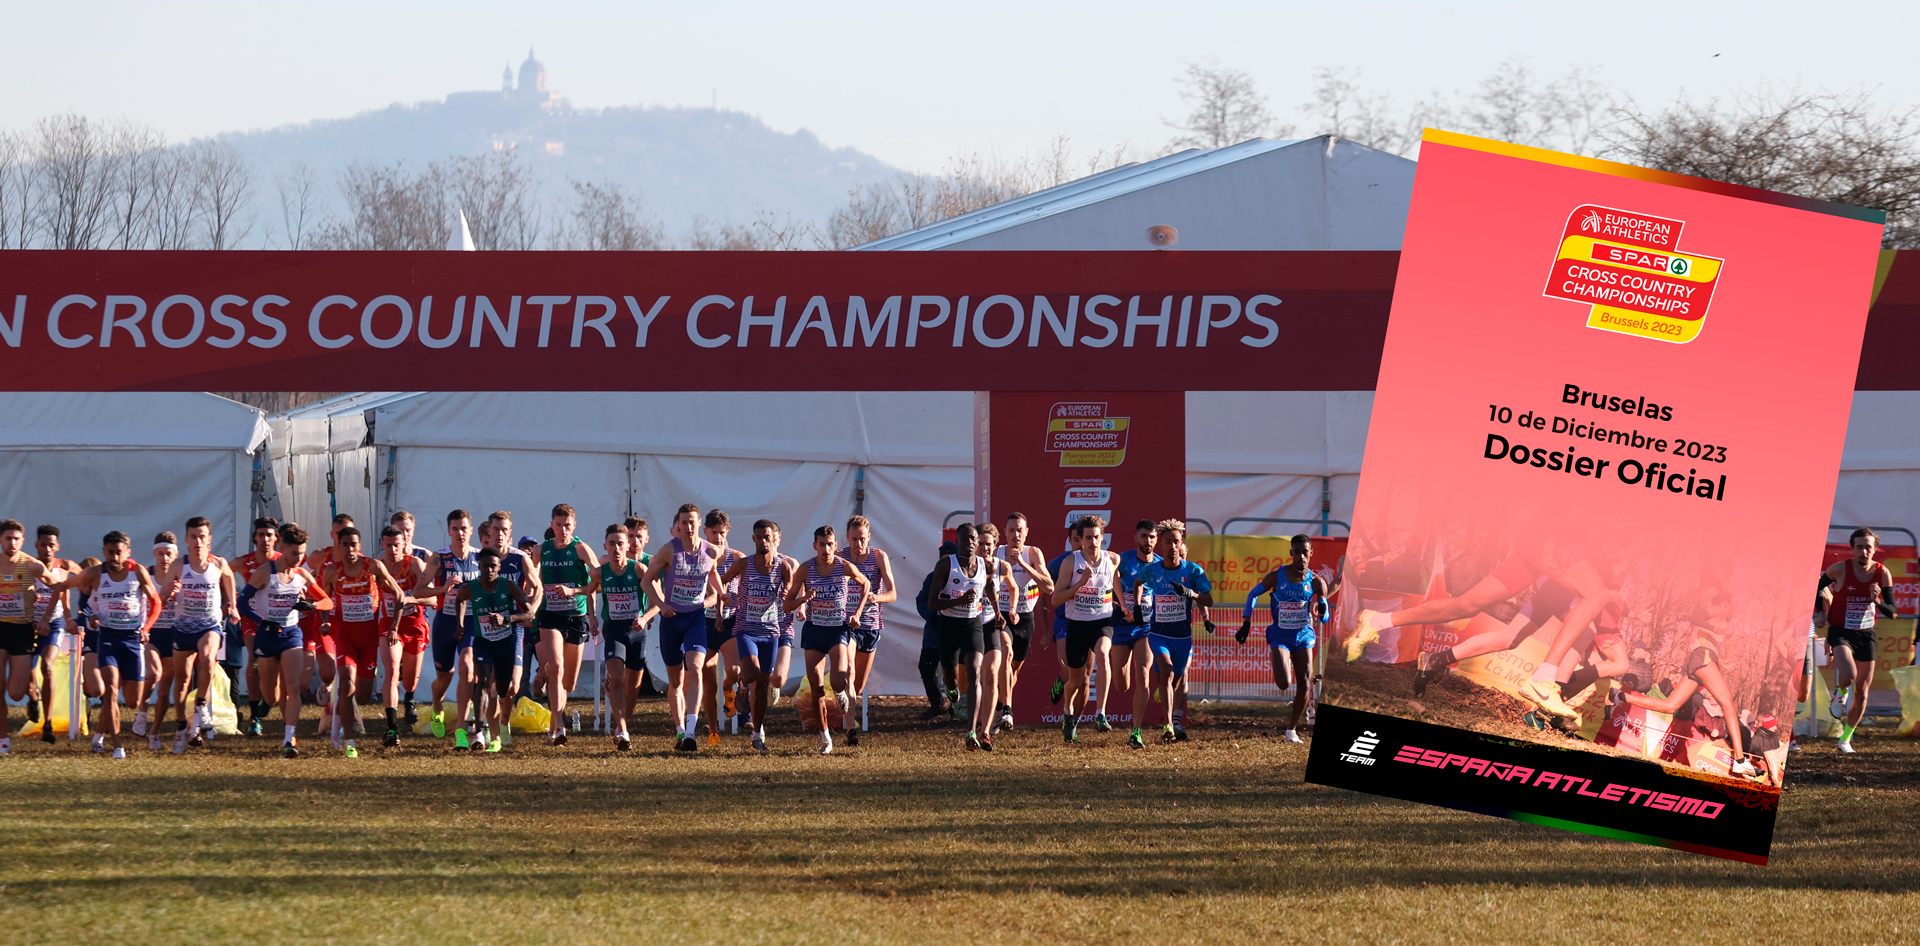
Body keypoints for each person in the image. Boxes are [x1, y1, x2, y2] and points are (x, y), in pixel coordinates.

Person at [1348, 523, 1614, 719]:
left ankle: (1379, 621)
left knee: (1467, 606)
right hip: (1544, 538)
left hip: (1535, 542)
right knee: (1596, 597)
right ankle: (1545, 680)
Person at [62, 532, 163, 758]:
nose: (114, 557)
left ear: (128, 552)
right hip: (106, 637)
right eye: (110, 552)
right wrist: (83, 617)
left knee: (133, 701)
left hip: (132, 639)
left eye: (119, 552)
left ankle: (98, 736)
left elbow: (156, 601)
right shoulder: (96, 574)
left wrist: (146, 629)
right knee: (110, 689)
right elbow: (74, 595)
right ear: (103, 552)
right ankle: (117, 745)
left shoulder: (137, 572)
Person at [316, 526, 406, 757]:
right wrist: (325, 620)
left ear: (360, 546)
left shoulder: (373, 567)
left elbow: (399, 595)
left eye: (353, 544)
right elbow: (324, 601)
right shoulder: (332, 572)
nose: (349, 549)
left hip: (369, 639)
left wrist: (394, 626)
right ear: (338, 547)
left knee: (362, 696)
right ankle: (349, 741)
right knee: (345, 683)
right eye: (344, 545)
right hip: (345, 637)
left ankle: (344, 709)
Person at [642, 503, 726, 752]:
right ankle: (680, 729)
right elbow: (647, 581)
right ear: (677, 526)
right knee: (675, 681)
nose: (688, 527)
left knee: (696, 668)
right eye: (684, 523)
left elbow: (713, 579)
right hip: (671, 620)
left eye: (692, 522)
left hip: (695, 620)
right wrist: (661, 605)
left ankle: (690, 731)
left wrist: (719, 596)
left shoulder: (710, 551)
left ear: (699, 524)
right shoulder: (668, 551)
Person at [243, 522, 330, 757]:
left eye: (302, 553)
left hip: (291, 634)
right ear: (282, 547)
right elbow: (243, 603)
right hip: (267, 635)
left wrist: (311, 604)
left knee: (293, 686)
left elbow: (328, 602)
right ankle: (265, 702)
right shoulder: (265, 573)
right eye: (294, 553)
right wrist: (262, 622)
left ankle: (289, 738)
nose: (299, 559)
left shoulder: (302, 575)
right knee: (271, 694)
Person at [785, 524, 873, 754]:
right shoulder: (805, 569)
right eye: (822, 544)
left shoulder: (844, 566)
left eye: (830, 544)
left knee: (838, 680)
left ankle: (842, 694)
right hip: (815, 630)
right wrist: (803, 599)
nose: (826, 549)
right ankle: (826, 739)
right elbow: (787, 604)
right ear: (815, 546)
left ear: (836, 545)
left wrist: (857, 612)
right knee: (816, 689)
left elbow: (866, 584)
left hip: (837, 629)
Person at [156, 517, 239, 752]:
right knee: (181, 681)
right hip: (183, 627)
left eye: (202, 537)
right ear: (186, 540)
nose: (198, 542)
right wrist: (170, 593)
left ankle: (201, 703)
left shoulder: (218, 564)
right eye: (193, 537)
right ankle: (182, 725)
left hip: (209, 625)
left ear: (209, 540)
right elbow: (161, 599)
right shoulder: (179, 566)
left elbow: (230, 576)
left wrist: (232, 604)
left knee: (207, 657)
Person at [1241, 534, 1330, 742]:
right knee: (1283, 683)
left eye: (1305, 552)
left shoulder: (1317, 582)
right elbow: (1252, 595)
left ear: (1311, 554)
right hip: (1280, 635)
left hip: (1303, 635)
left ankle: (1291, 730)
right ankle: (1284, 664)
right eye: (1297, 552)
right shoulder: (1276, 576)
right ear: (1291, 553)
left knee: (1305, 682)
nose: (1301, 556)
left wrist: (1323, 609)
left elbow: (1325, 618)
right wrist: (1247, 621)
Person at [721, 519, 799, 753]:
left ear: (774, 538)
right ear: (753, 539)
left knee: (764, 685)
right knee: (753, 674)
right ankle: (743, 686)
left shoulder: (784, 567)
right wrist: (721, 606)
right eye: (759, 537)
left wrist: (797, 600)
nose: (763, 541)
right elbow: (720, 582)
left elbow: (791, 598)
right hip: (746, 630)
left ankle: (757, 734)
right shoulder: (744, 565)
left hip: (772, 632)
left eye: (768, 537)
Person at [930, 522, 1006, 750]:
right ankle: (951, 690)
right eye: (966, 540)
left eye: (973, 539)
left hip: (973, 624)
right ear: (958, 543)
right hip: (949, 624)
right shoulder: (946, 565)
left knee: (975, 672)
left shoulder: (985, 566)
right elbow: (932, 603)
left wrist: (998, 612)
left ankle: (971, 731)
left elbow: (990, 587)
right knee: (951, 678)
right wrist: (958, 601)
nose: (971, 544)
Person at [1821, 526, 1896, 753]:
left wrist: (1877, 601)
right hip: (1840, 631)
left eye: (1868, 548)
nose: (1864, 552)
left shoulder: (1882, 573)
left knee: (1863, 691)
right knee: (1850, 675)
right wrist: (1819, 612)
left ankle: (1845, 739)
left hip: (1865, 633)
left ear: (1875, 550)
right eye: (1859, 547)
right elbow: (1816, 587)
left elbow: (1893, 612)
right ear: (1852, 549)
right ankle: (1840, 694)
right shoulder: (1839, 569)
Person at [584, 523, 656, 750]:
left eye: (620, 544)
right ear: (605, 546)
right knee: (616, 677)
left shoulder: (639, 570)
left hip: (637, 631)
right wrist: (593, 618)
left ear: (628, 547)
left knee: (632, 687)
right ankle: (623, 730)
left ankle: (621, 725)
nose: (616, 548)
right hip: (614, 629)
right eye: (612, 544)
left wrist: (644, 618)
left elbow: (656, 600)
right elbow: (589, 592)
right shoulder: (598, 571)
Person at [456, 547, 535, 753]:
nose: (489, 570)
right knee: (481, 681)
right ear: (479, 567)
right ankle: (478, 732)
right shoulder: (470, 588)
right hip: (483, 642)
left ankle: (500, 722)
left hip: (505, 643)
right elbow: (459, 600)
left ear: (499, 567)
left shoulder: (508, 586)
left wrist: (507, 619)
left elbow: (529, 613)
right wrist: (460, 625)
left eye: (493, 566)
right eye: (485, 566)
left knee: (503, 690)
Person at [1144, 520, 1214, 747]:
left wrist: (1191, 593)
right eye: (1167, 542)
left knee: (1176, 678)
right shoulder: (1152, 570)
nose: (1172, 546)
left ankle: (1167, 708)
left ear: (1181, 543)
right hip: (1158, 633)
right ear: (1160, 545)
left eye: (1176, 541)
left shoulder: (1193, 570)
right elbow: (1136, 583)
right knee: (1167, 670)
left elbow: (1209, 600)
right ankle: (1169, 726)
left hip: (1182, 637)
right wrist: (1135, 607)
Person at [1051, 516, 1120, 744]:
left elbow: (1115, 579)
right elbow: (1055, 600)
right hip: (1078, 624)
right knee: (1076, 680)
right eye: (1088, 537)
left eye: (1096, 537)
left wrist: (1125, 604)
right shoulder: (1071, 562)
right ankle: (1068, 711)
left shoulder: (1112, 559)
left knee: (1103, 654)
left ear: (1103, 537)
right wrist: (1079, 584)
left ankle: (1100, 713)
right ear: (1080, 540)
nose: (1092, 542)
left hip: (1102, 620)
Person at [536, 503, 600, 746]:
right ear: (552, 525)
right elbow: (533, 579)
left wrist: (573, 592)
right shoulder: (541, 550)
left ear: (575, 525)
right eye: (559, 525)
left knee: (569, 683)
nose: (563, 530)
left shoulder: (581, 549)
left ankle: (554, 723)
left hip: (576, 617)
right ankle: (560, 725)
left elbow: (598, 583)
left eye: (567, 526)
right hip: (550, 616)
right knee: (557, 667)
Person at [420, 510, 479, 743]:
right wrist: (443, 589)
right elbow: (419, 590)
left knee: (467, 666)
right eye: (455, 529)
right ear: (448, 532)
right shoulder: (439, 558)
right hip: (445, 621)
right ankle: (437, 706)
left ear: (471, 530)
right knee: (444, 678)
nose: (460, 533)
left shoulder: (479, 556)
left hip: (472, 622)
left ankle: (462, 726)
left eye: (464, 528)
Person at [992, 512, 1052, 730]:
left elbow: (1049, 587)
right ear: (1005, 533)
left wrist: (1024, 565)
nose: (1015, 535)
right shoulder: (997, 553)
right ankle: (1007, 710)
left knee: (1013, 672)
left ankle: (999, 706)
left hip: (1025, 618)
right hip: (1002, 616)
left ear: (1026, 533)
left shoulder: (1033, 553)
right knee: (1005, 652)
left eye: (1020, 530)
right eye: (1011, 530)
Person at [0, 519, 54, 755]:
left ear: (23, 542)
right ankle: (3, 740)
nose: (12, 543)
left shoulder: (32, 565)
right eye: (7, 538)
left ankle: (32, 694)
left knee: (15, 693)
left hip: (22, 631)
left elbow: (59, 586)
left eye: (16, 539)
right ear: (1, 540)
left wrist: (45, 618)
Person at [377, 525, 433, 746]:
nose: (392, 550)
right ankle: (391, 729)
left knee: (410, 679)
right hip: (389, 625)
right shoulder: (378, 567)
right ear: (382, 545)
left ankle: (409, 699)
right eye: (388, 545)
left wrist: (409, 600)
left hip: (415, 626)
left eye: (396, 545)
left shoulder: (414, 564)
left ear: (404, 544)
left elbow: (432, 600)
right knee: (390, 670)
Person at [840, 515, 897, 728]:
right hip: (847, 624)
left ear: (869, 537)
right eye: (854, 539)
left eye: (862, 539)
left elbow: (893, 593)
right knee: (849, 672)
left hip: (871, 625)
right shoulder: (840, 557)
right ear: (847, 538)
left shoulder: (879, 557)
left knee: (859, 684)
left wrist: (877, 597)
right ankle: (850, 730)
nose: (858, 544)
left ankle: (845, 701)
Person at [29, 525, 78, 743]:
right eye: (43, 545)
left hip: (54, 624)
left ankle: (47, 724)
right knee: (24, 683)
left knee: (47, 665)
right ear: (36, 546)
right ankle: (32, 696)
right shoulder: (29, 566)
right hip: (28, 623)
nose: (47, 549)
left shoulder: (64, 566)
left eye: (51, 545)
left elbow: (88, 575)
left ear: (57, 546)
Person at [233, 518, 281, 736]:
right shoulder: (245, 562)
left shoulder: (284, 560)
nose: (265, 539)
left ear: (276, 539)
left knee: (275, 676)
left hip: (278, 620)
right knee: (253, 659)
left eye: (269, 535)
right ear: (255, 538)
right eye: (261, 535)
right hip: (253, 619)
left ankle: (266, 703)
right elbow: (221, 572)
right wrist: (231, 597)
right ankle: (254, 718)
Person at [700, 509, 743, 746]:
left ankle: (729, 689)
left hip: (729, 622)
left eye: (721, 533)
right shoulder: (698, 557)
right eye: (713, 532)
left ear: (728, 532)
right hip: (704, 623)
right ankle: (713, 729)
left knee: (734, 671)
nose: (717, 537)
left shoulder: (737, 558)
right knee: (708, 680)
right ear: (704, 531)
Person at [915, 541, 959, 719]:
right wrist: (931, 616)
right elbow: (921, 600)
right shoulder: (932, 577)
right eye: (944, 559)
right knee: (926, 668)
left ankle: (957, 707)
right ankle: (938, 704)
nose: (947, 562)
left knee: (953, 672)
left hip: (955, 631)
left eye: (951, 559)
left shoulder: (963, 577)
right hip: (934, 632)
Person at [141, 533, 179, 739]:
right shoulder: (146, 575)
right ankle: (141, 710)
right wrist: (165, 596)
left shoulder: (182, 576)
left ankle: (154, 732)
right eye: (160, 554)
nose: (165, 558)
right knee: (154, 674)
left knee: (165, 691)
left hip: (173, 633)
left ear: (176, 555)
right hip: (152, 632)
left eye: (169, 554)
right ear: (154, 553)